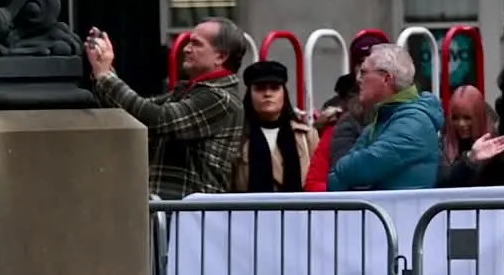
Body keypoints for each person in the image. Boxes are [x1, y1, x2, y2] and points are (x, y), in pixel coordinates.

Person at [86, 19, 245, 199]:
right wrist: (103, 67)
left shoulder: (221, 98)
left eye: (196, 44)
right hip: (171, 211)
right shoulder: (190, 90)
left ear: (221, 57)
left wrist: (106, 76)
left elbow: (158, 119)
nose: (186, 49)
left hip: (189, 216)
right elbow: (134, 112)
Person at [327, 44, 444, 191]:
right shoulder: (382, 120)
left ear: (386, 78)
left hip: (403, 213)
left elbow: (360, 168)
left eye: (363, 72)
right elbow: (334, 177)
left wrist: (343, 172)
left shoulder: (415, 122)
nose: (357, 79)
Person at [231, 61, 318, 193]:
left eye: (274, 88)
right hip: (248, 211)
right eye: (260, 88)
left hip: (297, 210)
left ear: (284, 93)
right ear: (250, 94)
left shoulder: (306, 136)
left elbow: (317, 180)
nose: (267, 94)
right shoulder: (236, 136)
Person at [438, 85, 504, 187]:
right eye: (455, 118)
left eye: (467, 118)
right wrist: (469, 160)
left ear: (478, 117)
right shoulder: (445, 141)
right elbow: (442, 181)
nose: (461, 124)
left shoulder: (498, 144)